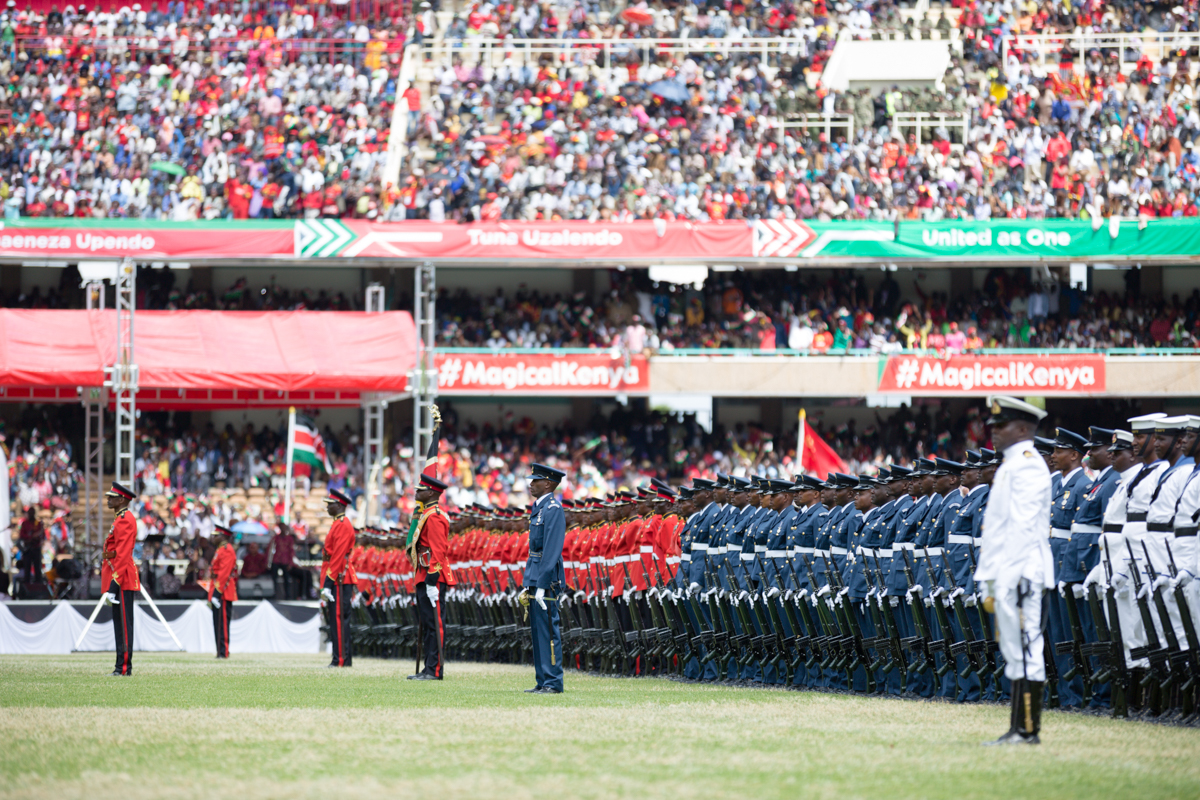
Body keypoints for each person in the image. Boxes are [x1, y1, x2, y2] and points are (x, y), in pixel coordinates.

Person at [976, 396, 1053, 745]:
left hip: (1022, 573)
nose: (994, 432)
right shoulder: (1011, 464)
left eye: (1001, 426)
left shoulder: (1028, 465)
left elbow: (1021, 529)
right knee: (1013, 650)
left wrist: (1006, 579)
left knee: (1025, 649)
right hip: (1008, 573)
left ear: (1023, 429)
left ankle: (1028, 729)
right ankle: (1016, 728)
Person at [520, 462, 568, 694]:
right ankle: (542, 679)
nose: (531, 484)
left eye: (535, 480)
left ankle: (553, 681)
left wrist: (541, 584)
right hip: (535, 575)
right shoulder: (540, 508)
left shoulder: (553, 509)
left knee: (549, 630)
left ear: (547, 483)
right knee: (538, 632)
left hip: (545, 579)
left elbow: (551, 550)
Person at [406, 472, 455, 680]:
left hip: (432, 576)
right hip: (423, 575)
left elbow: (438, 550)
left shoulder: (435, 517)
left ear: (431, 492)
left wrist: (432, 580)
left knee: (435, 624)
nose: (417, 492)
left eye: (421, 489)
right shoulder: (425, 514)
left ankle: (435, 670)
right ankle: (428, 667)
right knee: (427, 624)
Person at [101, 482, 140, 676]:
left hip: (122, 578)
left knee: (124, 625)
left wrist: (113, 587)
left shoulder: (125, 519)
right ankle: (120, 666)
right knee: (120, 625)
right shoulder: (119, 518)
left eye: (111, 497)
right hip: (120, 575)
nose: (108, 500)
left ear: (122, 499)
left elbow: (123, 555)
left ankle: (124, 667)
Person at [321, 489, 357, 668]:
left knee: (338, 619)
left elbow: (337, 555)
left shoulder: (342, 524)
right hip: (337, 575)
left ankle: (340, 659)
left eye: (330, 504)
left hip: (340, 576)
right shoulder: (337, 523)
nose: (327, 506)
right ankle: (341, 658)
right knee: (336, 620)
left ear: (340, 505)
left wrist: (328, 582)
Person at [208, 525, 239, 659]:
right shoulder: (221, 549)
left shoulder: (227, 550)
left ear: (223, 536)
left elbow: (224, 573)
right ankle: (220, 651)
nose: (213, 537)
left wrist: (217, 592)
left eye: (216, 535)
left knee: (223, 623)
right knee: (217, 622)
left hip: (223, 590)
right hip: (218, 588)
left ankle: (223, 651)